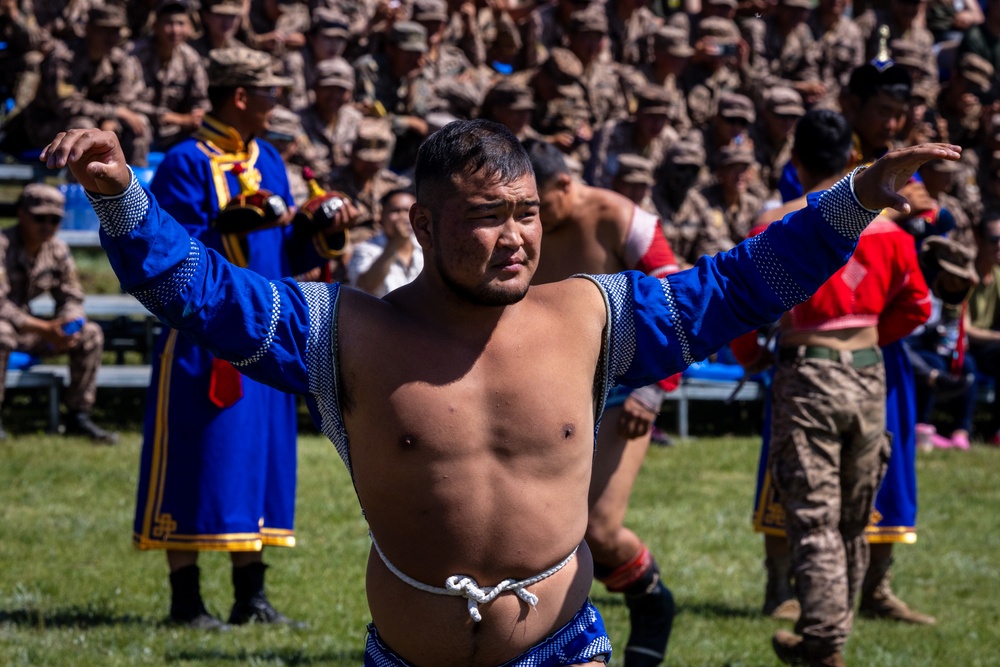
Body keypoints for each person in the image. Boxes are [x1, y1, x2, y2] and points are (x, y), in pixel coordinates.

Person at [43, 120, 958, 666]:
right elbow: (199, 292)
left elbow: (743, 282)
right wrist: (123, 194)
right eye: (486, 218)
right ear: (424, 222)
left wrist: (857, 196)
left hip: (566, 646)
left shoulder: (595, 315)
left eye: (524, 212)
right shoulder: (345, 331)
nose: (515, 237)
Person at [129, 46, 347, 630]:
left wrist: (317, 229)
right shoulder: (184, 161)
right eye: (271, 92)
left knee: (260, 462)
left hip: (267, 331)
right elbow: (167, 248)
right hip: (203, 337)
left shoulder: (270, 158)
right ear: (241, 97)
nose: (279, 102)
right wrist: (227, 224)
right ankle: (185, 601)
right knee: (199, 459)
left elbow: (284, 253)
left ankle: (250, 597)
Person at [734, 109, 933, 666]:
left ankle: (823, 640)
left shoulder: (776, 219)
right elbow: (917, 305)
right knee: (853, 515)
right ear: (853, 158)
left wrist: (754, 357)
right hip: (869, 372)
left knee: (815, 514)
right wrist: (867, 339)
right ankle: (831, 633)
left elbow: (747, 303)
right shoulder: (892, 230)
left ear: (795, 161)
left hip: (808, 370)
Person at [526, 139, 679, 666]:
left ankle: (651, 601)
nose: (533, 218)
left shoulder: (621, 219)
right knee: (536, 528)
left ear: (566, 184)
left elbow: (676, 301)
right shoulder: (523, 227)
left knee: (598, 528)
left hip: (619, 387)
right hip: (545, 392)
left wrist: (653, 388)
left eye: (540, 205)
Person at [0, 183, 116, 444]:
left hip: (34, 333)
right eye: (40, 218)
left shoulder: (57, 249)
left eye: (55, 220)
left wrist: (68, 325)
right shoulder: (2, 245)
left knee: (90, 334)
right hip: (10, 328)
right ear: (21, 214)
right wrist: (45, 329)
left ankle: (79, 415)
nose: (47, 225)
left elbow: (72, 296)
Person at [347, 188, 422, 297]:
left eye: (407, 211)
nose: (402, 217)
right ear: (381, 216)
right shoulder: (366, 249)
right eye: (395, 211)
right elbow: (366, 285)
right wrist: (395, 243)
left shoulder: (427, 248)